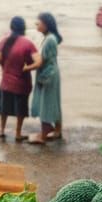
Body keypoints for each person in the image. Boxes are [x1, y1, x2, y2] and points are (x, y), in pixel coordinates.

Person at [0, 16, 37, 142]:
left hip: (7, 80)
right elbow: (38, 61)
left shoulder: (4, 41)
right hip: (22, 82)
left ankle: (2, 130)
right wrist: (28, 68)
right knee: (21, 109)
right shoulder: (28, 44)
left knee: (5, 107)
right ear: (23, 28)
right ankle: (18, 133)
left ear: (11, 27)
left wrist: (5, 67)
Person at [27, 12, 63, 145]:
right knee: (53, 101)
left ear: (46, 25)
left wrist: (26, 68)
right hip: (52, 72)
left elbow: (40, 62)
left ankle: (44, 134)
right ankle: (57, 130)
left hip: (48, 74)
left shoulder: (49, 40)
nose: (37, 24)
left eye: (39, 22)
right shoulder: (51, 37)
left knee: (45, 102)